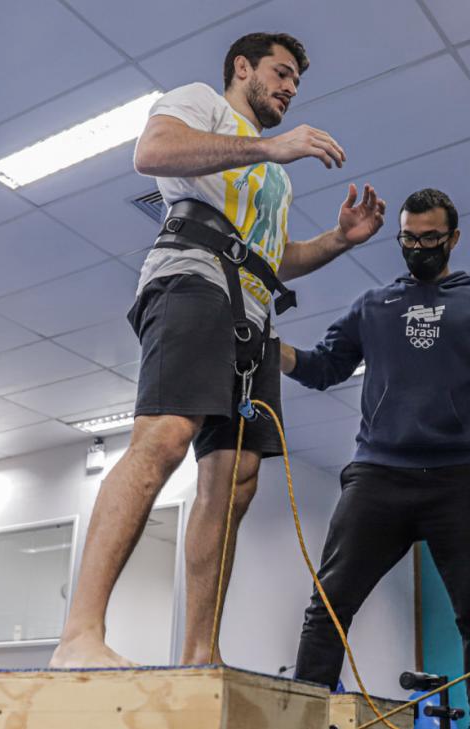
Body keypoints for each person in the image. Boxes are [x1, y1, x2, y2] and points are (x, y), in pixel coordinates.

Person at [50, 32, 387, 669]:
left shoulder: (276, 185)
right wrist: (268, 146)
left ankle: (200, 654)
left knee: (236, 479)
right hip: (191, 280)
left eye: (296, 82)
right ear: (243, 68)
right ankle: (78, 635)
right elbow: (152, 152)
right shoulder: (201, 102)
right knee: (165, 436)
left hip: (252, 313)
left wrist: (339, 240)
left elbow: (276, 256)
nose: (289, 88)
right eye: (281, 74)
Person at [280, 188, 470, 729]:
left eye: (430, 239)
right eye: (409, 239)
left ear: (453, 239)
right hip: (378, 474)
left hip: (457, 478)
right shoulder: (373, 304)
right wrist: (271, 349)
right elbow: (325, 364)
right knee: (327, 606)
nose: (418, 248)